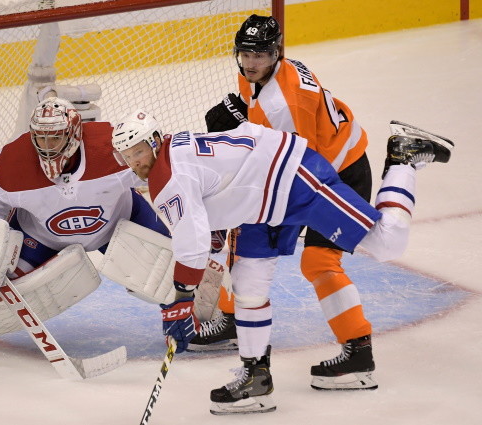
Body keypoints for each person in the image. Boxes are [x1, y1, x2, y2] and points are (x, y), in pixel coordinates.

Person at [111, 109, 452, 414]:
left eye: (138, 151)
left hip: (291, 176)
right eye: (128, 156)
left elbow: (192, 245)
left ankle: (403, 159)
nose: (136, 162)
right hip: (260, 202)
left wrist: (181, 300)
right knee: (247, 284)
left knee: (387, 242)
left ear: (155, 142)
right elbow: (212, 192)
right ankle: (255, 377)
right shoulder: (172, 154)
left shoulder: (167, 178)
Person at [192, 13, 377, 392]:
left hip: (338, 174)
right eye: (245, 54)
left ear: (276, 54)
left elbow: (291, 165)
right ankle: (230, 317)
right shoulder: (258, 74)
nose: (250, 63)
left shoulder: (285, 103)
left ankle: (358, 350)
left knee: (319, 261)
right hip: (311, 164)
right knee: (243, 230)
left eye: (259, 55)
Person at [0, 97, 170, 360]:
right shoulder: (12, 163)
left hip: (119, 221)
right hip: (40, 237)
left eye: (55, 138)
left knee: (172, 269)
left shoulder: (111, 146)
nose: (47, 146)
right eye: (41, 138)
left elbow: (163, 164)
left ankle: (196, 318)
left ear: (73, 134)